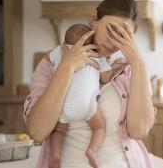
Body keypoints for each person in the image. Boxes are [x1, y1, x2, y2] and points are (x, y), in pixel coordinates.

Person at [23, 0, 163, 167]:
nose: (112, 42)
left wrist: (137, 62)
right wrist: (67, 66)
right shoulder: (53, 63)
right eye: (110, 30)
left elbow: (139, 130)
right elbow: (37, 131)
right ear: (94, 19)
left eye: (122, 36)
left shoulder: (129, 71)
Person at [48, 23, 115, 168]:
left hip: (63, 103)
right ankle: (92, 150)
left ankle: (55, 153)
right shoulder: (97, 56)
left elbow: (49, 60)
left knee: (58, 130)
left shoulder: (60, 51)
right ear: (91, 43)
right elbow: (106, 79)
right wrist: (108, 64)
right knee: (99, 127)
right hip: (86, 105)